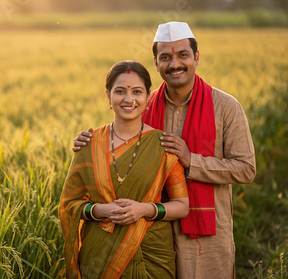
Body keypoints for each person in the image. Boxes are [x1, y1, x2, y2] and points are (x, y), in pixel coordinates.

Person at [72, 22, 256, 278]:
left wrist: (191, 160)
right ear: (156, 63)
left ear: (197, 57)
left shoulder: (225, 107)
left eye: (183, 55)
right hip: (148, 230)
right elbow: (117, 146)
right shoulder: (143, 105)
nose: (175, 64)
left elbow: (246, 169)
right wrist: (88, 141)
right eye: (165, 57)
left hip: (205, 234)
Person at [59, 60, 189, 278]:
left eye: (137, 92)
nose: (129, 99)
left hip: (152, 253)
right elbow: (69, 203)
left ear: (148, 98)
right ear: (108, 97)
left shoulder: (163, 145)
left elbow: (182, 205)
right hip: (99, 252)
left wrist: (144, 210)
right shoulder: (89, 144)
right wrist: (101, 211)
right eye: (120, 91)